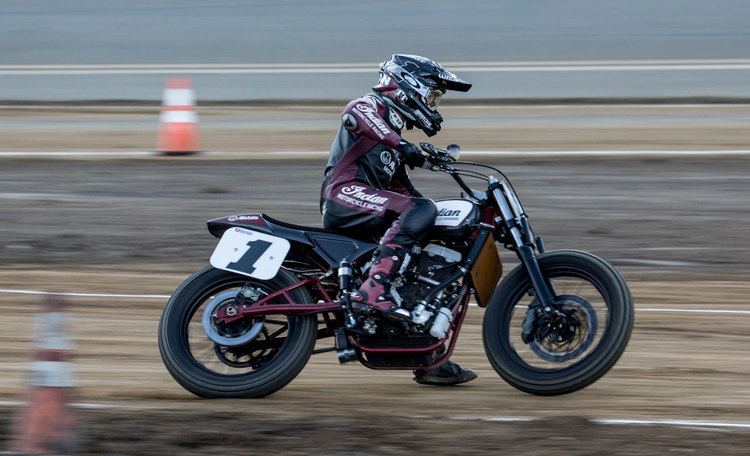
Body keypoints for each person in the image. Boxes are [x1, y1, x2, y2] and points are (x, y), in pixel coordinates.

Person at [319, 54, 477, 386]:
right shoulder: (369, 107)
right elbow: (357, 116)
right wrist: (403, 145)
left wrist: (433, 212)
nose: (433, 104)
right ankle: (374, 290)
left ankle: (427, 355)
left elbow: (405, 193)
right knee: (419, 212)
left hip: (365, 202)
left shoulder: (390, 132)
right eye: (432, 94)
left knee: (428, 229)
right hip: (343, 195)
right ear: (409, 86)